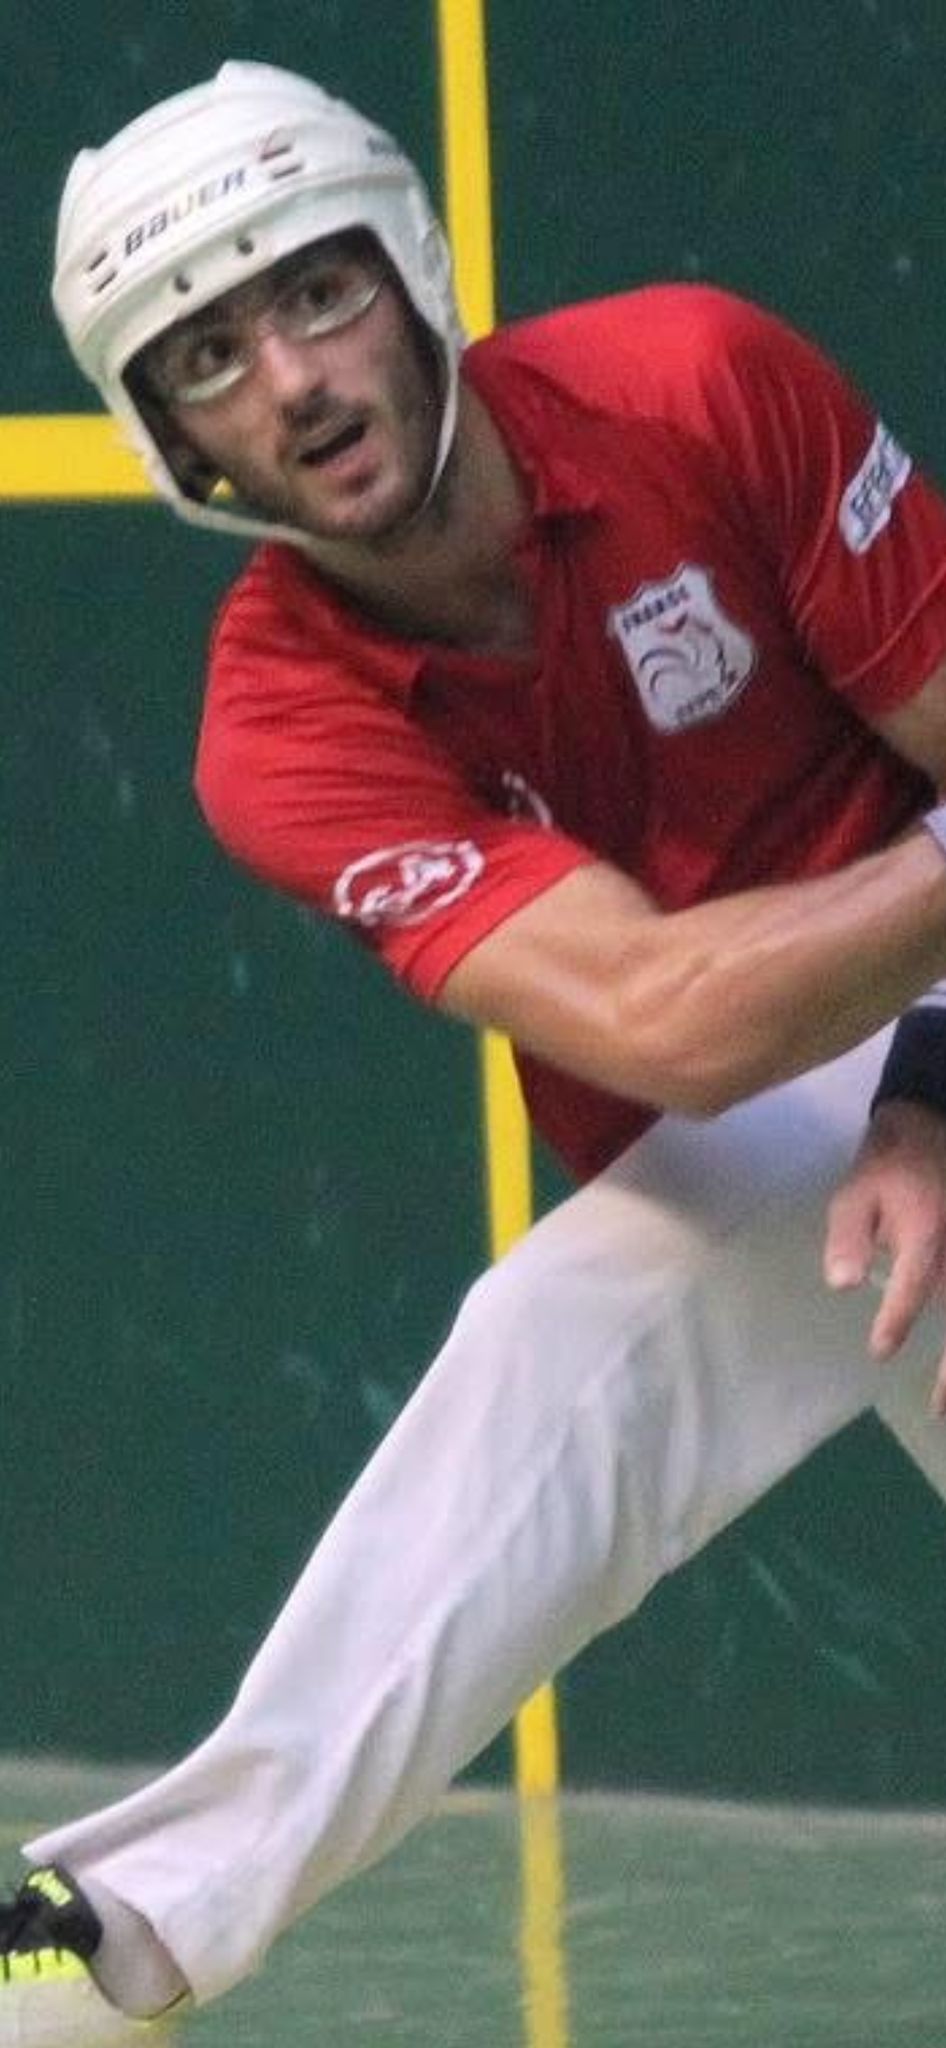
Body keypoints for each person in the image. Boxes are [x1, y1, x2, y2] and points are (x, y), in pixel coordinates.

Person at [6, 54, 946, 2047]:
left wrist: (933, 1074)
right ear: (166, 433)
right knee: (568, 1330)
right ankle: (79, 1952)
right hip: (792, 1169)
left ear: (411, 267)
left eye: (314, 295)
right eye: (207, 357)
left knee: (561, 1321)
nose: (292, 384)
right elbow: (671, 1022)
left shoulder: (693, 381)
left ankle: (116, 1930)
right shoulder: (279, 724)